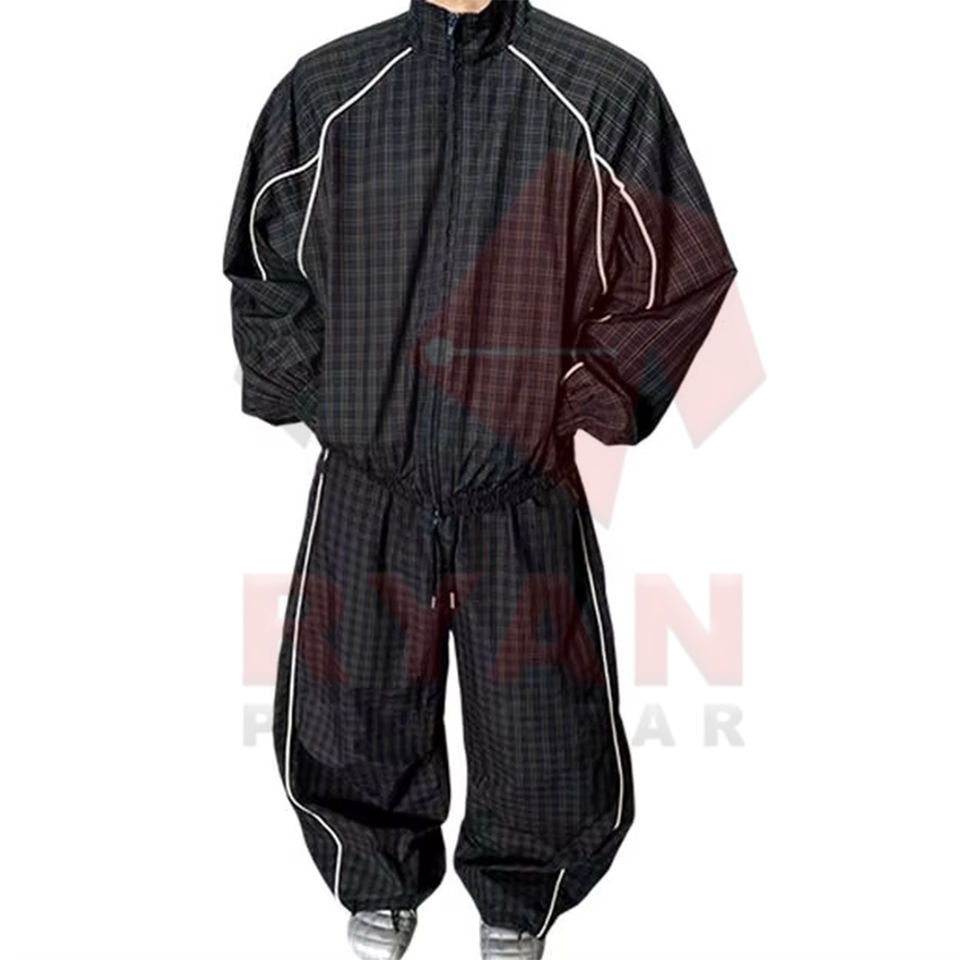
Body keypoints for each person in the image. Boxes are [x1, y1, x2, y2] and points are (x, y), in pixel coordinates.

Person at [223, 1, 737, 957]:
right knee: (351, 707)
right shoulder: (329, 89)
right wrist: (326, 396)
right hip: (368, 481)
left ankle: (519, 901)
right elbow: (263, 264)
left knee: (543, 723)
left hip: (521, 485)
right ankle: (375, 881)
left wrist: (577, 399)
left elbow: (682, 269)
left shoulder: (599, 89)